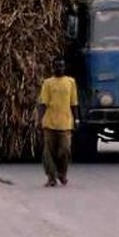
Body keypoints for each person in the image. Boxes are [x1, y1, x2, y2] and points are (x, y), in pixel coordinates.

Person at [38, 58, 79, 187]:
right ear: (53, 67)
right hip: (49, 122)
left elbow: (74, 103)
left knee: (65, 150)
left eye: (61, 66)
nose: (59, 68)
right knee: (48, 152)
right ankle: (51, 177)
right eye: (57, 66)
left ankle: (62, 174)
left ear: (64, 67)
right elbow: (43, 103)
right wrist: (40, 119)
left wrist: (76, 118)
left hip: (65, 123)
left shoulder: (70, 82)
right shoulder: (47, 83)